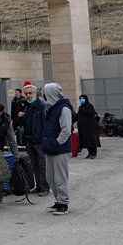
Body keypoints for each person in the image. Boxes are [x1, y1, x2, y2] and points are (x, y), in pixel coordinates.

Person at [40, 82, 73, 215]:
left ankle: (63, 203)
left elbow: (66, 130)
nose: (44, 96)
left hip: (60, 149)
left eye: (45, 93)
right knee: (51, 178)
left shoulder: (64, 109)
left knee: (60, 178)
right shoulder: (51, 108)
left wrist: (56, 143)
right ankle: (58, 201)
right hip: (50, 148)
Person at [21, 83, 48, 194]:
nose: (28, 95)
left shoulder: (42, 106)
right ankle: (39, 186)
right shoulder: (27, 106)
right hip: (29, 139)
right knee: (34, 164)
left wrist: (43, 138)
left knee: (42, 165)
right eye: (26, 93)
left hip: (39, 140)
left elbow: (45, 123)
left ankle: (44, 187)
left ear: (35, 93)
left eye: (30, 93)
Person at [76, 95, 100, 159]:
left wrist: (83, 110)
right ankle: (89, 153)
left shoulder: (89, 106)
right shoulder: (80, 107)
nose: (81, 100)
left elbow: (91, 113)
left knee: (91, 140)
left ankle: (94, 153)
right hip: (82, 127)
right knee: (86, 141)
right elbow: (78, 116)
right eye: (80, 99)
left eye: (82, 99)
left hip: (89, 127)